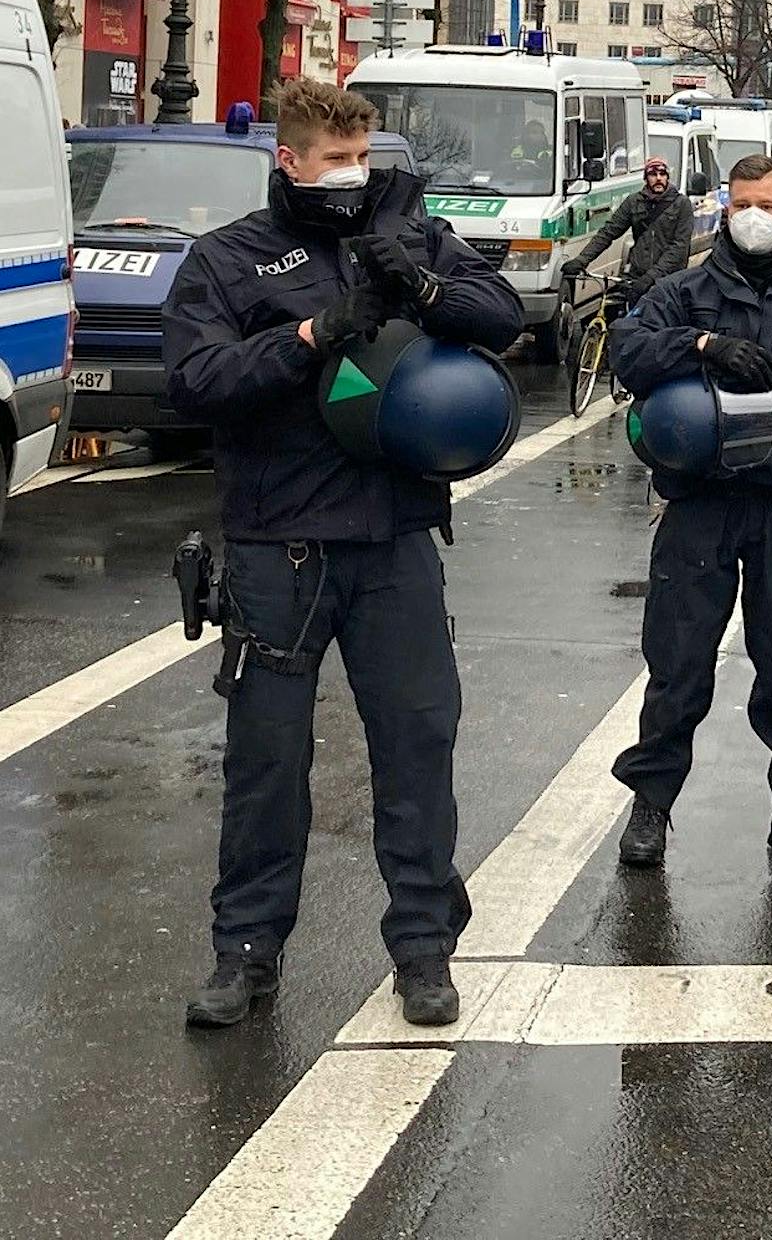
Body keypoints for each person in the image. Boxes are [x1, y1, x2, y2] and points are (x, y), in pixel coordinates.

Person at [163, 79, 524, 1031]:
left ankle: (423, 950)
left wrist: (421, 281)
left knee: (416, 747)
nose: (353, 177)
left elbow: (501, 317)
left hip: (394, 539)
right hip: (277, 545)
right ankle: (245, 953)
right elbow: (197, 380)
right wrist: (314, 334)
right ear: (289, 161)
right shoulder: (230, 259)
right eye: (336, 161)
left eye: (365, 159)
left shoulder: (406, 237)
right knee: (267, 764)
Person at [608, 154, 772, 872]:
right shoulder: (683, 292)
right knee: (679, 661)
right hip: (703, 504)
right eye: (742, 203)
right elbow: (628, 351)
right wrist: (700, 344)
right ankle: (652, 806)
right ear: (727, 210)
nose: (755, 216)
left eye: (768, 204)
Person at [562, 155, 693, 303]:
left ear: (667, 177)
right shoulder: (634, 202)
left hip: (670, 281)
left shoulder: (682, 204)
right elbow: (608, 232)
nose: (658, 178)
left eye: (662, 174)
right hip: (637, 278)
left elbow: (679, 247)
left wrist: (651, 277)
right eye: (652, 174)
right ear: (645, 178)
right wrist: (582, 260)